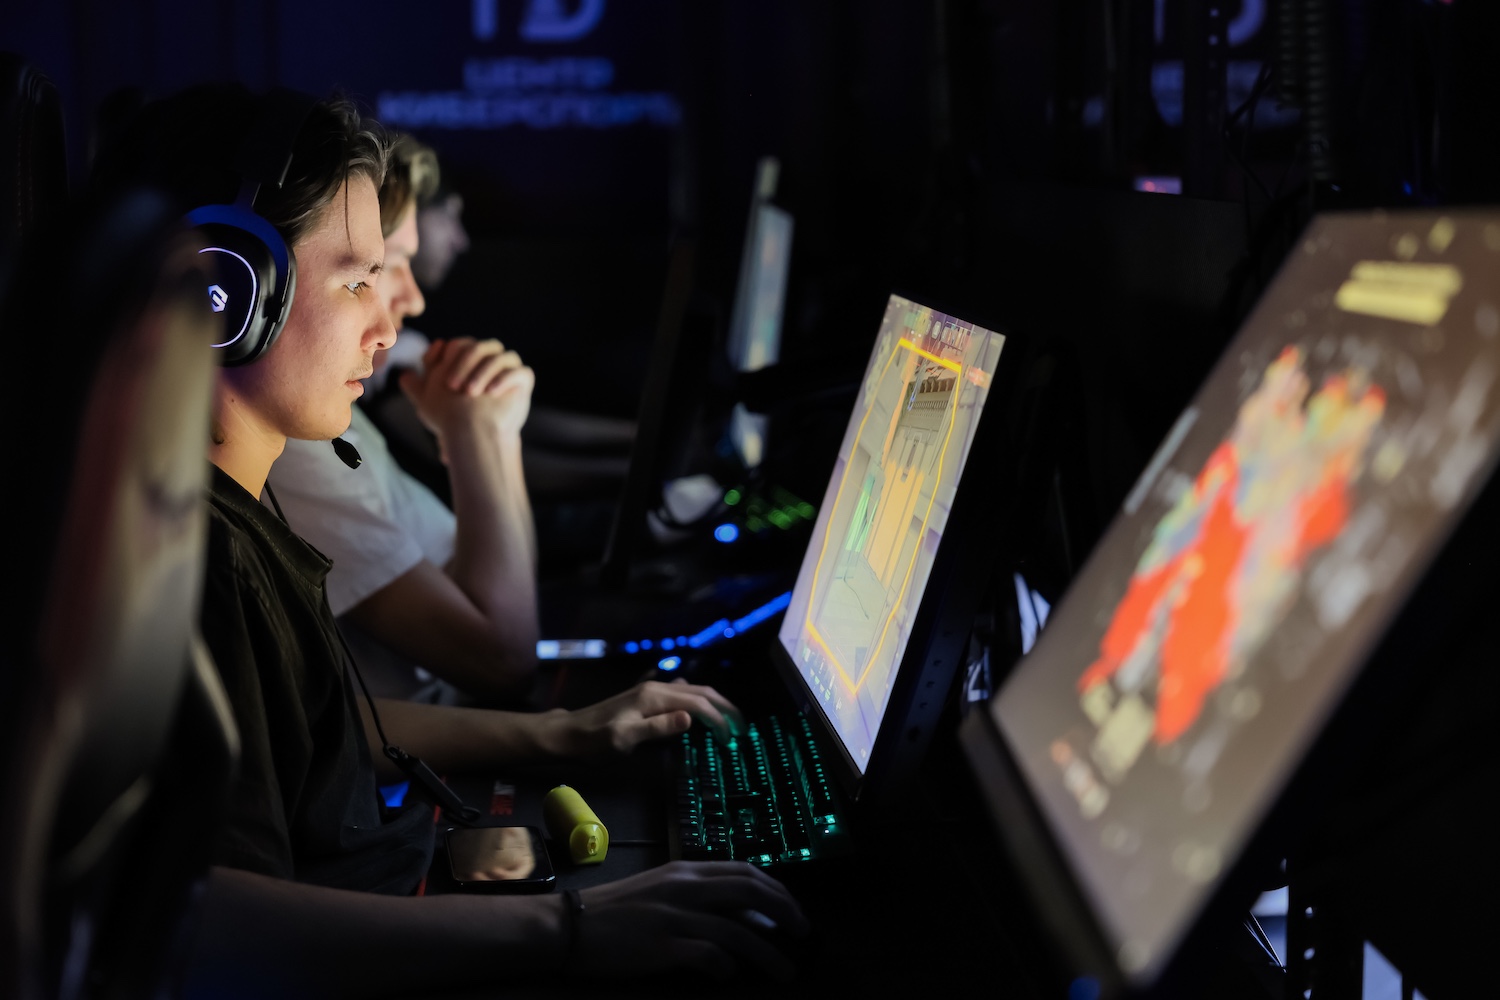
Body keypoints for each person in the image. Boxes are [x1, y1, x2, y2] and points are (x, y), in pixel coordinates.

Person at [92, 83, 805, 994]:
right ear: (223, 291)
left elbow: (311, 724)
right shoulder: (197, 558)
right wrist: (566, 929)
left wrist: (562, 734)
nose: (390, 325)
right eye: (358, 279)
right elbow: (199, 929)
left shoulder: (238, 505)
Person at [272, 136, 538, 704]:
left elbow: (509, 595)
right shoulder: (295, 440)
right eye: (366, 276)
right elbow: (503, 659)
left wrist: (498, 432)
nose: (408, 305)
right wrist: (477, 433)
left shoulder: (336, 420)